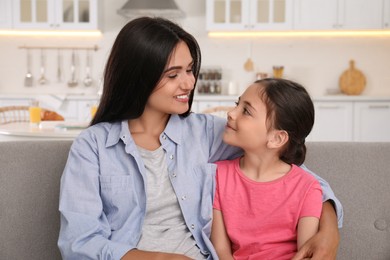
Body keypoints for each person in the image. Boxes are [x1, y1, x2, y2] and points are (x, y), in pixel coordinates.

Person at [58, 17, 343, 260]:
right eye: (173, 75)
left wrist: (329, 231)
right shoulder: (92, 147)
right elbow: (78, 242)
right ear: (138, 78)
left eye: (190, 69)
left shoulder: (207, 133)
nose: (189, 83)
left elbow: (291, 172)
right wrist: (159, 258)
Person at [211, 78, 324, 259]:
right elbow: (221, 249)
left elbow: (306, 253)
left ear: (276, 139)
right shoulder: (217, 175)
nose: (231, 113)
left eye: (246, 111)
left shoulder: (308, 188)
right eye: (237, 104)